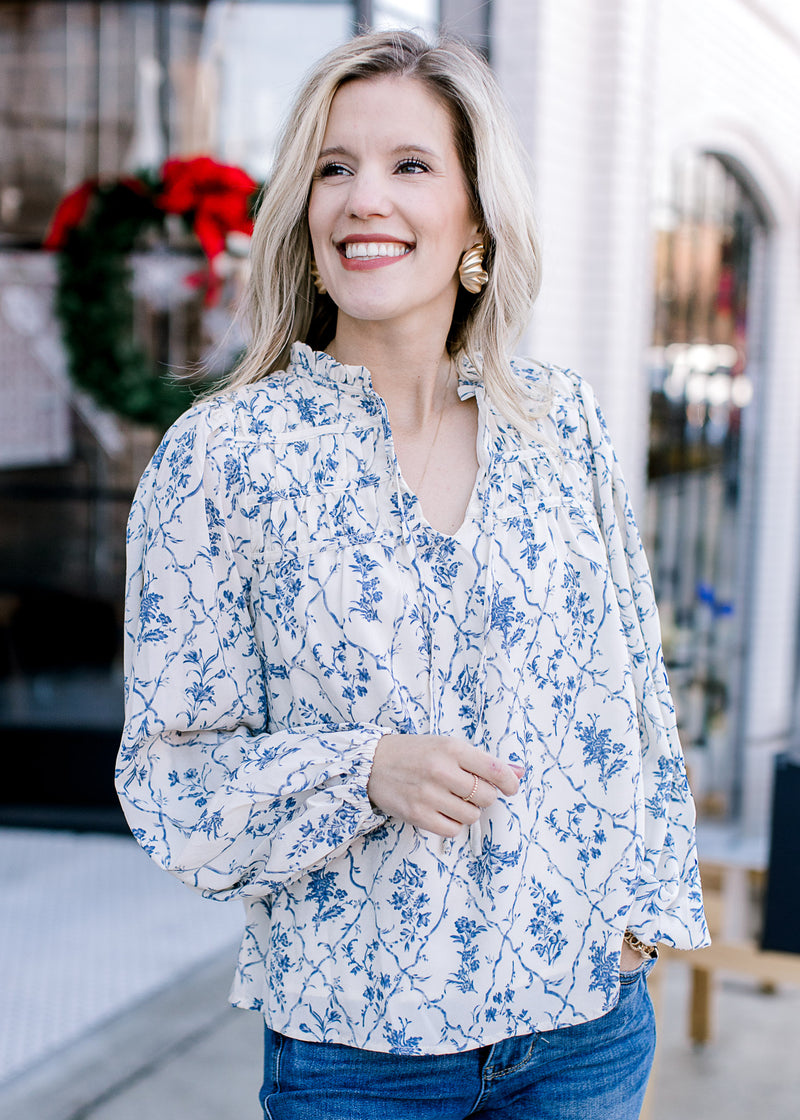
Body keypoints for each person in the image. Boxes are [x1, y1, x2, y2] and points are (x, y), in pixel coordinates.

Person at [117, 29, 709, 1120]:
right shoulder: (223, 457)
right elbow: (170, 777)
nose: (362, 199)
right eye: (333, 168)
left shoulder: (559, 423)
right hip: (359, 1051)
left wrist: (641, 918)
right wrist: (365, 769)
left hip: (582, 1027)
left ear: (475, 216)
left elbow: (632, 694)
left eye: (409, 165)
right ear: (302, 207)